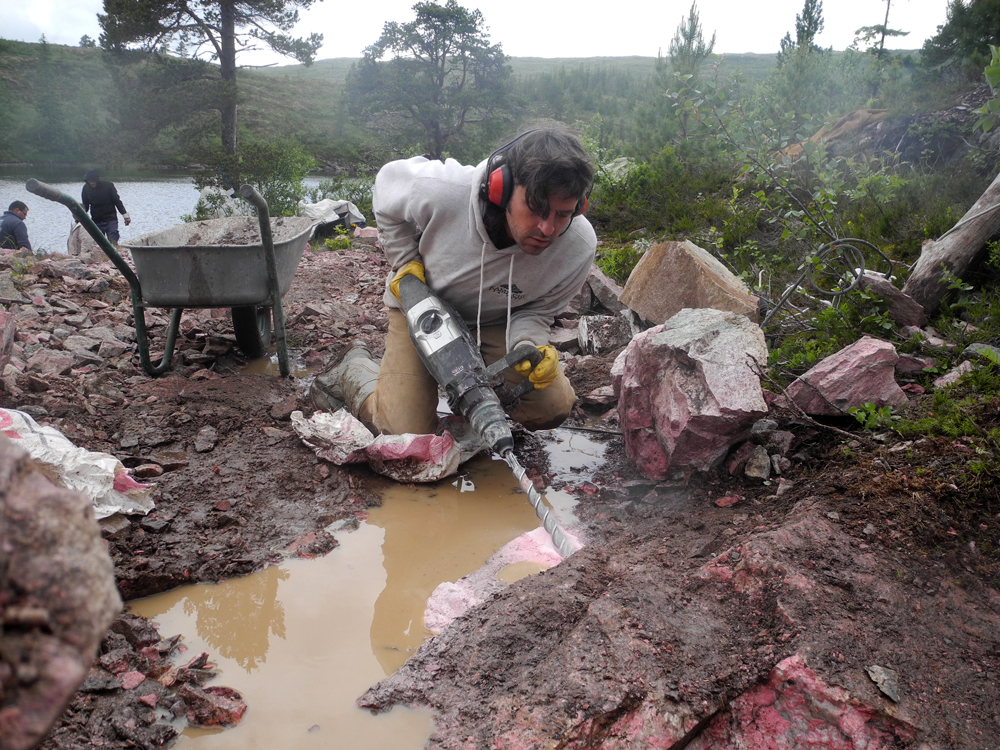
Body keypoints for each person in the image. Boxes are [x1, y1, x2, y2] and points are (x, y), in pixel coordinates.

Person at [316, 128, 596, 437]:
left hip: (496, 322)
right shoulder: (442, 189)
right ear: (500, 189)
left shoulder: (578, 246)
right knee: (403, 431)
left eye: (562, 214)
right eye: (536, 209)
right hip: (423, 311)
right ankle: (354, 368)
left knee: (552, 407)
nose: (547, 228)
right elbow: (385, 187)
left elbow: (538, 311)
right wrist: (405, 263)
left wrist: (526, 345)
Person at [81, 169, 131, 243]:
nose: (91, 183)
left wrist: (125, 216)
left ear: (97, 179)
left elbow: (117, 201)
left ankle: (114, 253)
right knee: (98, 244)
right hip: (96, 221)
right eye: (89, 181)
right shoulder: (86, 188)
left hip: (110, 219)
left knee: (113, 241)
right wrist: (79, 217)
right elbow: (85, 206)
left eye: (93, 180)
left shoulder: (108, 186)